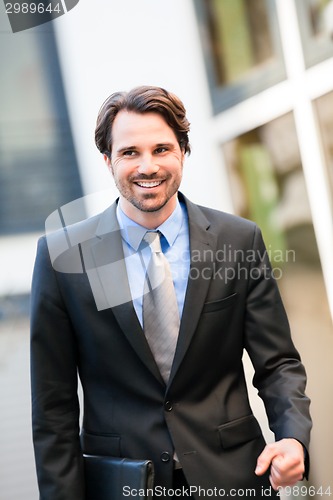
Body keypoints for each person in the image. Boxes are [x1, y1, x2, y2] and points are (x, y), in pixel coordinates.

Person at [30, 85, 312, 499]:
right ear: (108, 160)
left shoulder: (239, 240)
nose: (148, 166)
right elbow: (52, 410)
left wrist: (292, 436)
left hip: (232, 477)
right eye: (130, 152)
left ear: (183, 152)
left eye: (162, 149)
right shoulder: (63, 257)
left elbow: (278, 363)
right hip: (125, 486)